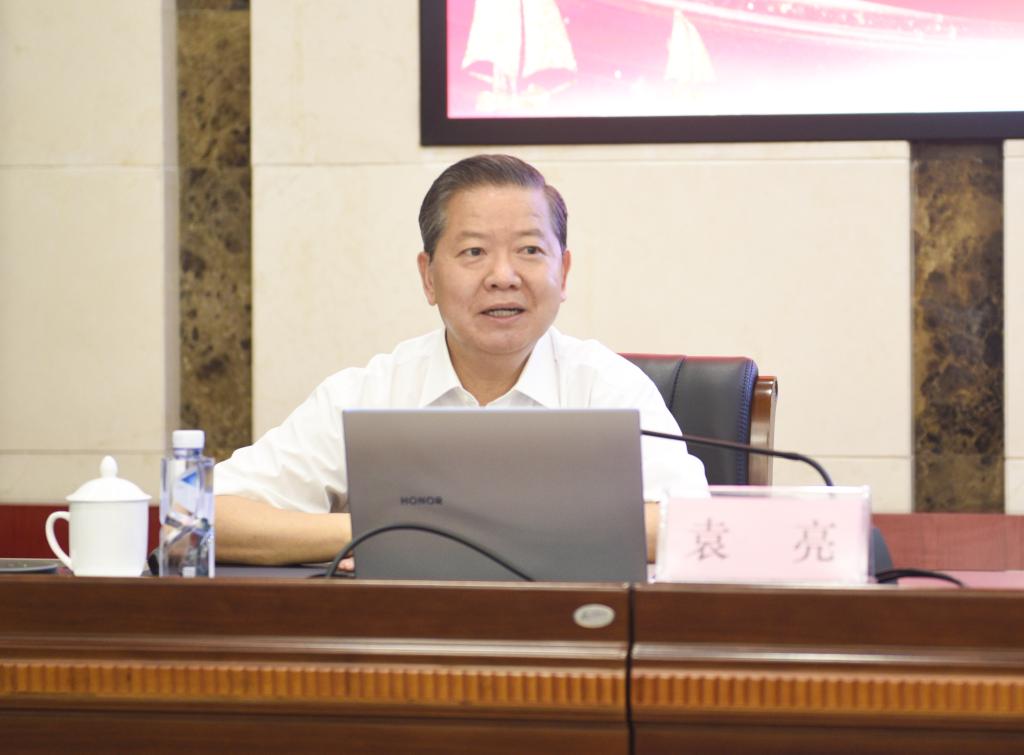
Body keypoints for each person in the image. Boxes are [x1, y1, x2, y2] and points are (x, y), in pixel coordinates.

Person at [214, 154, 707, 565]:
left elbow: (694, 529)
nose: (503, 276)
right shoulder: (370, 393)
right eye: (473, 252)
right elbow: (204, 516)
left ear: (564, 271)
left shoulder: (609, 388)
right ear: (428, 277)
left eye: (529, 249)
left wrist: (460, 530)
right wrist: (378, 532)